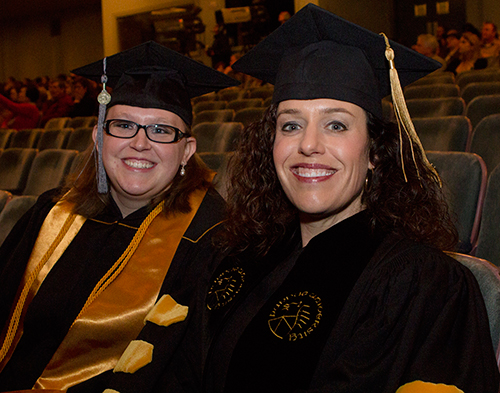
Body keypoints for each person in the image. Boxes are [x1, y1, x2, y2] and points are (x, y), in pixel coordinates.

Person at [160, 5, 500, 393]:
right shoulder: (233, 259)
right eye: (291, 124)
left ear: (375, 151)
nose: (308, 144)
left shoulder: (424, 286)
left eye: (335, 124)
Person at [0, 41, 238, 392]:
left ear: (186, 150)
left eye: (160, 130)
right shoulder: (51, 213)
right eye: (123, 125)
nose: (139, 143)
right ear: (99, 136)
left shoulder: (211, 241)